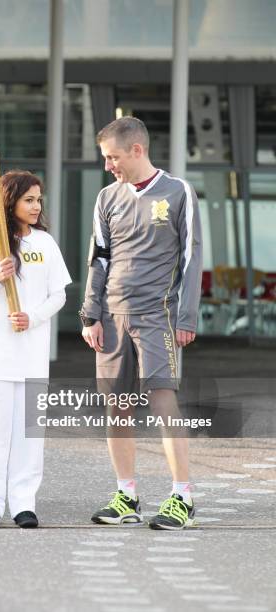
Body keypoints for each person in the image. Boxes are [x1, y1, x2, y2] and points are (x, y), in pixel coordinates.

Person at [79, 117, 202, 530]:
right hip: (112, 319)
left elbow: (190, 258)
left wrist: (185, 316)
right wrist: (90, 314)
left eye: (112, 157)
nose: (108, 165)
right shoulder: (106, 198)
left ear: (137, 150)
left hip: (157, 317)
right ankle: (126, 495)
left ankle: (182, 497)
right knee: (118, 407)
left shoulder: (177, 191)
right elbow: (99, 258)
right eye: (105, 158)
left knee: (164, 402)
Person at [0, 170, 72, 528]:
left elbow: (59, 295)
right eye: (29, 200)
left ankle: (24, 502)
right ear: (10, 201)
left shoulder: (45, 244)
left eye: (39, 200)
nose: (37, 206)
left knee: (28, 435)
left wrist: (32, 317)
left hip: (31, 355)